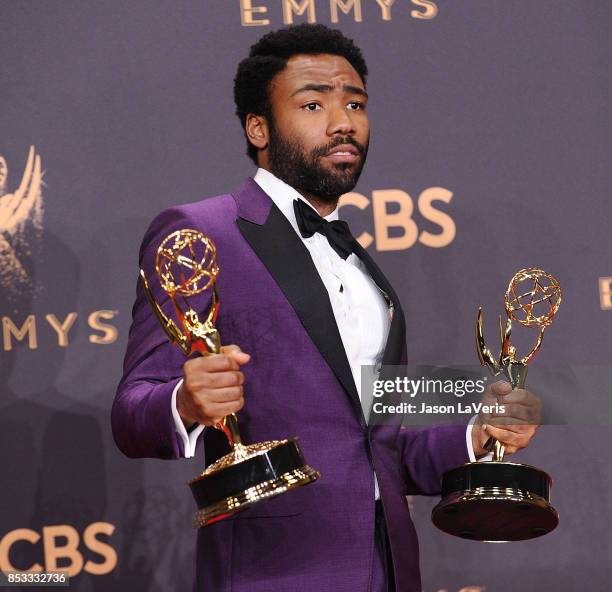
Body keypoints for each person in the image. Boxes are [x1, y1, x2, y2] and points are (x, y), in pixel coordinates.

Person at [112, 24, 540, 592]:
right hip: (272, 573)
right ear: (258, 127)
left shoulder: (364, 271)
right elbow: (131, 411)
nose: (344, 122)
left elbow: (382, 446)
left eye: (356, 104)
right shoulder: (202, 231)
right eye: (313, 104)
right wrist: (185, 402)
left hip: (390, 571)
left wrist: (476, 433)